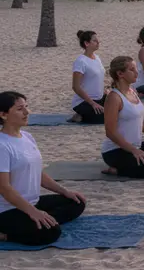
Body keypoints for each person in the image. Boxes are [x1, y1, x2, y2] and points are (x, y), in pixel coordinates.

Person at [0, 91, 86, 246]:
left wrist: (64, 191)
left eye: (26, 107)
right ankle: (5, 235)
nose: (27, 112)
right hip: (7, 210)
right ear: (4, 115)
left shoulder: (27, 137)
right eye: (20, 109)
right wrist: (33, 212)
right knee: (51, 232)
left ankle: (43, 219)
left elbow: (37, 174)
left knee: (76, 202)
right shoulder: (2, 146)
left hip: (32, 202)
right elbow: (4, 188)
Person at [70, 30, 107, 123]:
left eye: (97, 40)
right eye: (95, 40)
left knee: (120, 111)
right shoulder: (81, 61)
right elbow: (75, 87)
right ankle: (80, 115)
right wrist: (93, 103)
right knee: (106, 119)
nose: (98, 42)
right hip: (84, 102)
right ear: (86, 43)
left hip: (99, 98)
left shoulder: (97, 58)